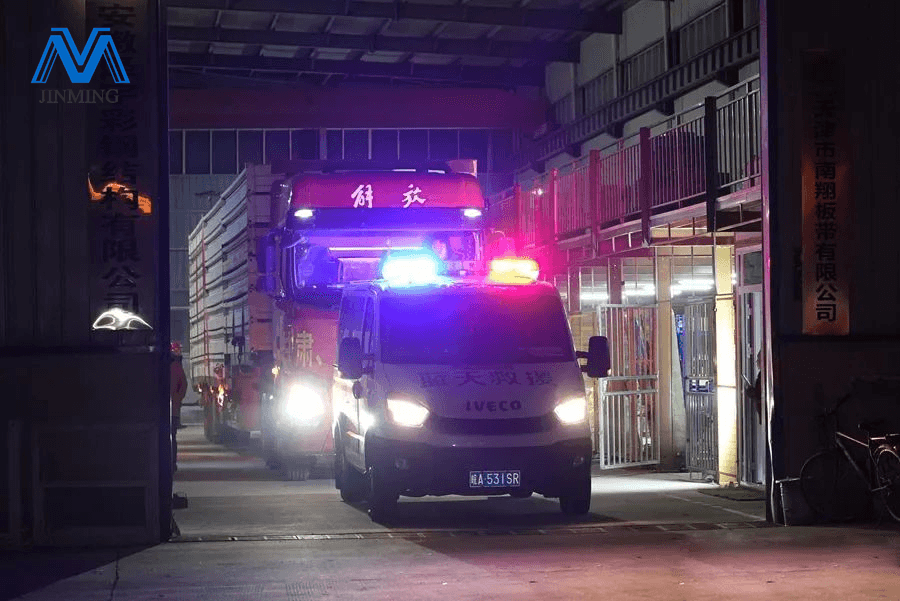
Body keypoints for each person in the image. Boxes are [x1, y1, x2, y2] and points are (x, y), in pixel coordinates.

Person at [170, 341, 188, 472]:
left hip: (170, 406)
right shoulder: (176, 365)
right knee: (172, 436)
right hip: (173, 407)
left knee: (170, 436)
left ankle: (170, 462)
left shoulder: (173, 364)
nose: (179, 351)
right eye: (177, 349)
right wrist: (177, 398)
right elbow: (183, 384)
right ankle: (172, 463)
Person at [745, 350, 762, 422]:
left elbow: (759, 394)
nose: (756, 362)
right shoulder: (761, 374)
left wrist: (751, 391)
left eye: (758, 359)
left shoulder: (763, 376)